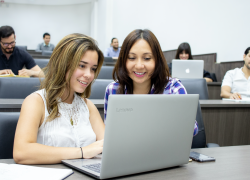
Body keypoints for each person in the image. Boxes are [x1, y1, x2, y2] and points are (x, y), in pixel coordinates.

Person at [13, 33, 105, 164]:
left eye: (93, 69)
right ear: (63, 64)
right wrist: (82, 152)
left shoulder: (88, 106)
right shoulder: (36, 101)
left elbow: (108, 146)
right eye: (82, 66)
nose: (89, 75)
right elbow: (21, 152)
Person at [104, 29, 198, 136]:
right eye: (132, 58)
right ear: (123, 60)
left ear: (157, 60)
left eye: (147, 58)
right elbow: (109, 133)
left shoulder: (173, 87)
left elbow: (193, 129)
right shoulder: (113, 90)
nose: (139, 65)